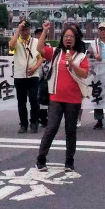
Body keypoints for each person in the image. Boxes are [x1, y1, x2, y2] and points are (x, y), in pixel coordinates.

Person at [36, 22, 90, 172]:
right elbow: (39, 48)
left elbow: (84, 74)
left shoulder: (81, 56)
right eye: (66, 36)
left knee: (70, 130)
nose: (68, 39)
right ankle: (41, 158)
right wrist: (45, 30)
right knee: (51, 128)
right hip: (56, 97)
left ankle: (69, 160)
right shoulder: (55, 52)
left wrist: (72, 64)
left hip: (73, 99)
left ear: (76, 39)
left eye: (71, 36)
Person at [9, 20, 43, 134]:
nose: (25, 31)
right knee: (21, 101)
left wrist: (35, 67)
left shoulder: (36, 41)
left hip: (33, 75)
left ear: (30, 30)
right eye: (23, 29)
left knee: (34, 100)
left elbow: (40, 58)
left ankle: (34, 123)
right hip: (19, 76)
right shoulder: (16, 41)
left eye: (26, 29)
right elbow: (11, 46)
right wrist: (17, 31)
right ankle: (23, 124)